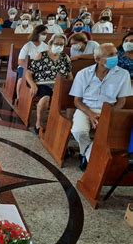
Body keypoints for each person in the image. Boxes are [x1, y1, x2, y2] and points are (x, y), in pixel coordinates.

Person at [69, 43, 131, 171]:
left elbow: (121, 101)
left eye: (115, 54)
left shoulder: (123, 74)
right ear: (97, 59)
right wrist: (91, 114)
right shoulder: (83, 74)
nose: (115, 57)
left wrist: (109, 114)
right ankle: (88, 153)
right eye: (110, 55)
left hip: (109, 110)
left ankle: (85, 156)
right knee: (78, 131)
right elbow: (77, 101)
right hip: (85, 109)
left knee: (104, 134)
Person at [25, 34, 72, 134]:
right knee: (45, 98)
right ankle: (39, 124)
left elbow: (69, 75)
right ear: (50, 44)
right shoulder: (41, 55)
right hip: (43, 84)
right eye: (56, 44)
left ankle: (67, 125)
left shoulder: (65, 57)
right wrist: (32, 84)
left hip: (60, 84)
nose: (59, 46)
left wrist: (69, 86)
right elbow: (28, 72)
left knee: (73, 98)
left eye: (61, 44)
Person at [16, 25, 49, 101]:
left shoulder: (46, 47)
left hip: (40, 69)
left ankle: (40, 97)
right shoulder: (28, 46)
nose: (45, 36)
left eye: (46, 34)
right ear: (37, 33)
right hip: (24, 67)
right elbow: (20, 61)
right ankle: (18, 97)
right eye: (43, 33)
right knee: (21, 80)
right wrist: (31, 68)